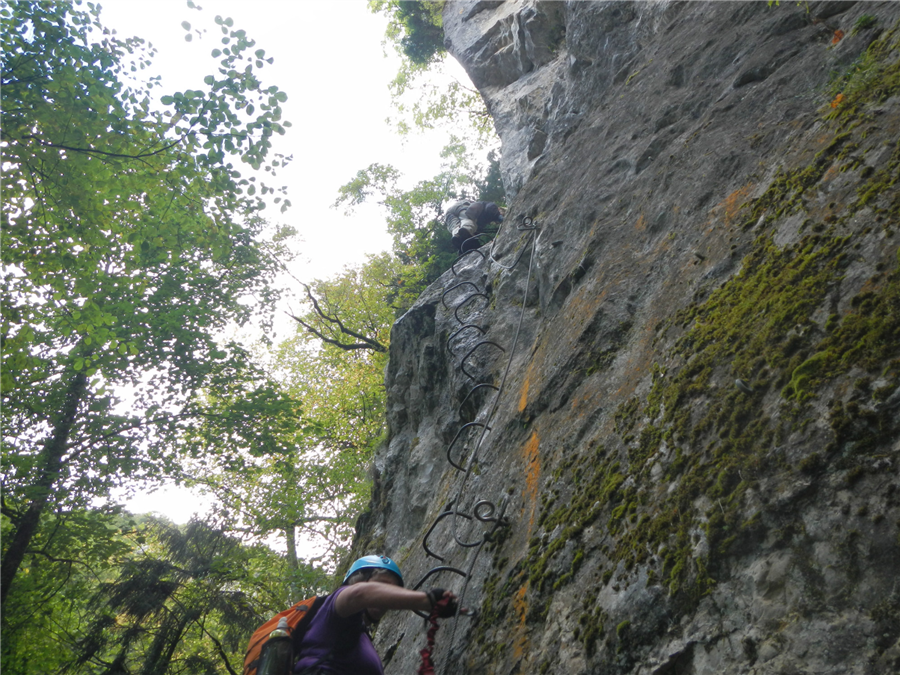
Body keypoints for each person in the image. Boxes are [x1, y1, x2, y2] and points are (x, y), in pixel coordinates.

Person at [293, 555, 458, 675]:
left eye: (393, 590)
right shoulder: (333, 610)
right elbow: (359, 594)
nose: (387, 594)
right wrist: (426, 600)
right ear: (357, 581)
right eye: (381, 585)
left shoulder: (361, 637)